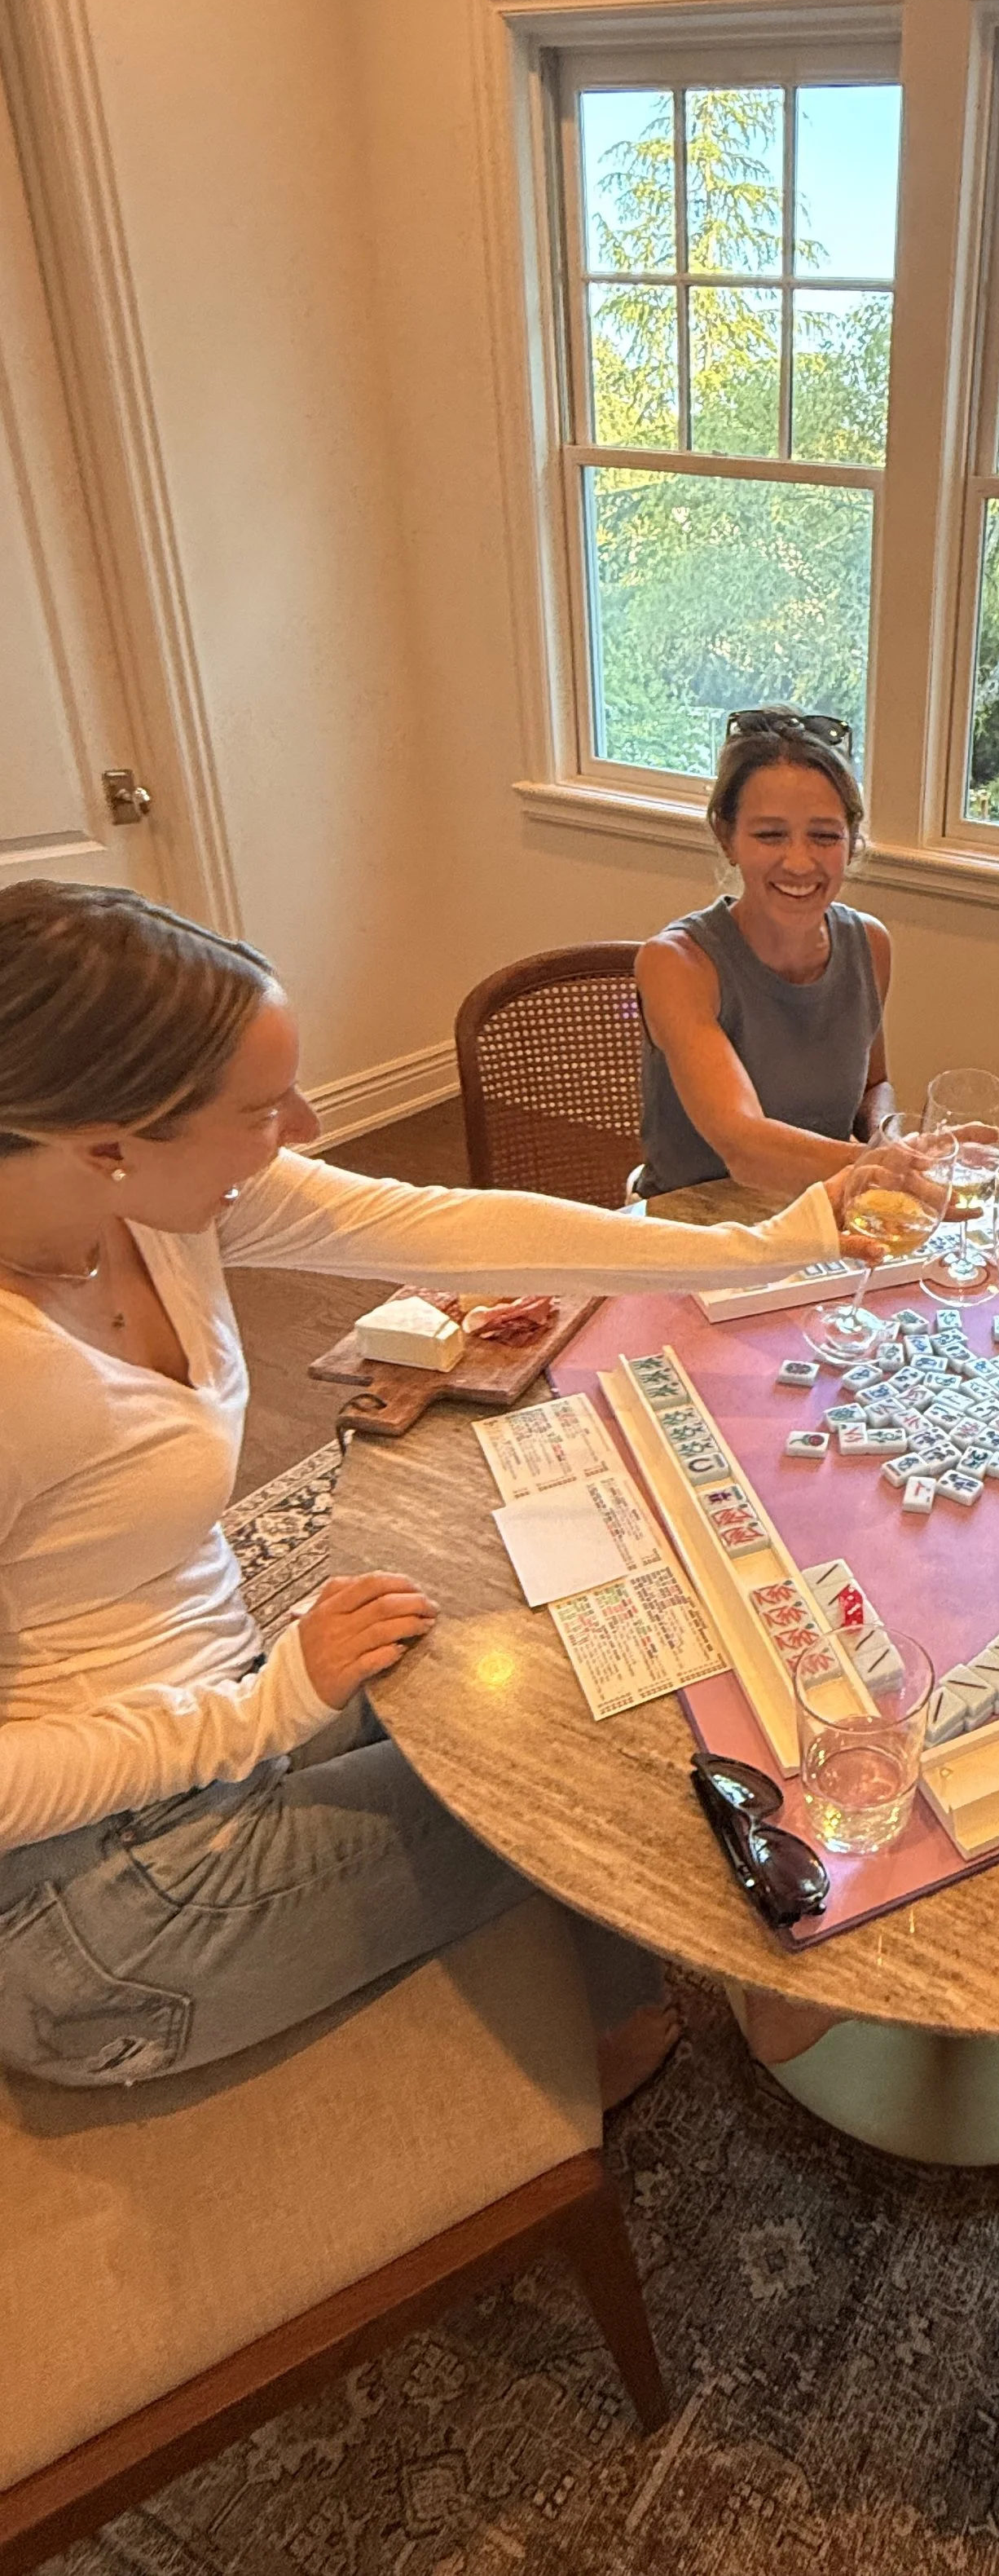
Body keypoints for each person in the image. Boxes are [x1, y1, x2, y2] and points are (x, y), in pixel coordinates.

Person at [0, 880, 890, 2110]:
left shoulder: (149, 1210)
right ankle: (670, 1998)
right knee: (624, 1800)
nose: (309, 1123)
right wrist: (260, 1716)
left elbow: (445, 1228)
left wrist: (770, 1245)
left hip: (220, 1699)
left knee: (603, 1681)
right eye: (263, 1108)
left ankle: (604, 1975)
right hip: (101, 1904)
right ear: (110, 1137)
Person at [636, 709, 894, 1198]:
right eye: (770, 835)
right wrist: (891, 1166)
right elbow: (745, 1148)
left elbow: (873, 1087)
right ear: (725, 836)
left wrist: (889, 1132)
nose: (799, 862)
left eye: (824, 836)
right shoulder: (675, 962)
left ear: (851, 841)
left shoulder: (871, 945)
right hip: (695, 1238)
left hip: (826, 1217)